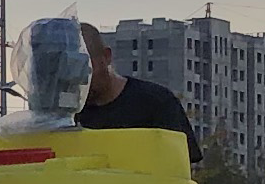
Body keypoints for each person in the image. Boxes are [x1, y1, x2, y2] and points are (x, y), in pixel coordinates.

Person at [74, 23, 197, 162]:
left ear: (106, 56)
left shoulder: (157, 103)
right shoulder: (68, 112)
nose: (80, 80)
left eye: (86, 69)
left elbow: (181, 166)